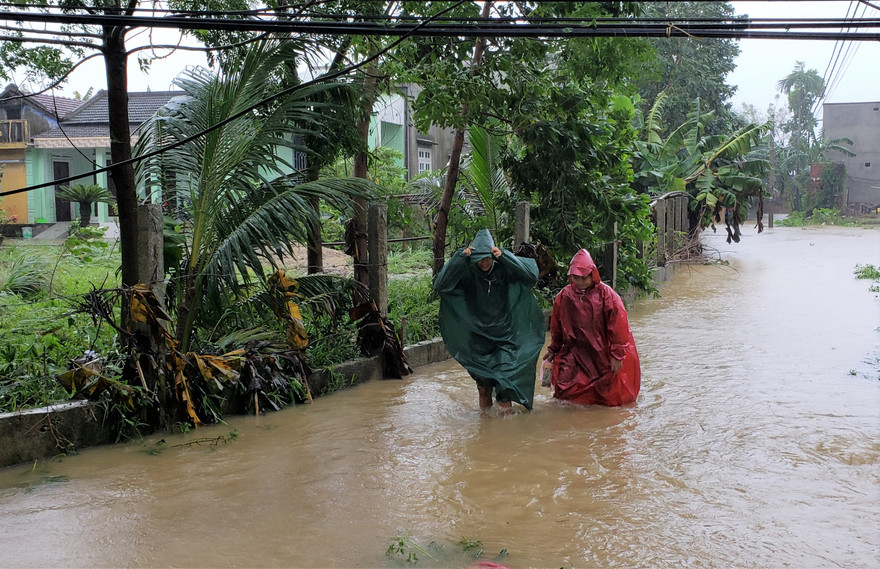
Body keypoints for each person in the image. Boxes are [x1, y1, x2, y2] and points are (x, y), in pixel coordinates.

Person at [434, 229, 545, 414]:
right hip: (477, 338)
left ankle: (504, 431)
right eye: (479, 258)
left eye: (487, 258)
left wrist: (506, 257)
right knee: (483, 386)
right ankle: (485, 427)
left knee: (505, 384)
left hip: (504, 335)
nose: (484, 262)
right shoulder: (466, 271)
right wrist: (459, 259)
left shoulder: (504, 268)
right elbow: (440, 286)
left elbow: (531, 277)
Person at [543, 248, 640, 406]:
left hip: (601, 355)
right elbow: (557, 326)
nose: (580, 282)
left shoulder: (606, 295)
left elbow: (618, 326)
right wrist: (553, 349)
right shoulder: (564, 296)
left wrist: (617, 356)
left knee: (606, 395)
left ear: (592, 274)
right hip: (573, 353)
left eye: (584, 278)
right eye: (576, 277)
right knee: (565, 392)